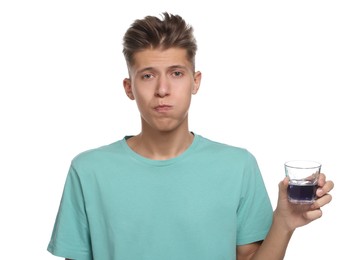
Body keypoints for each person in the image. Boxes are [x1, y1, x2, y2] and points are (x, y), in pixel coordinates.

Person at [47, 12, 334, 260]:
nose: (162, 89)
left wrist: (283, 223)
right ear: (128, 87)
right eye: (147, 75)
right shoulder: (88, 170)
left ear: (195, 82)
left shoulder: (237, 166)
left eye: (176, 73)